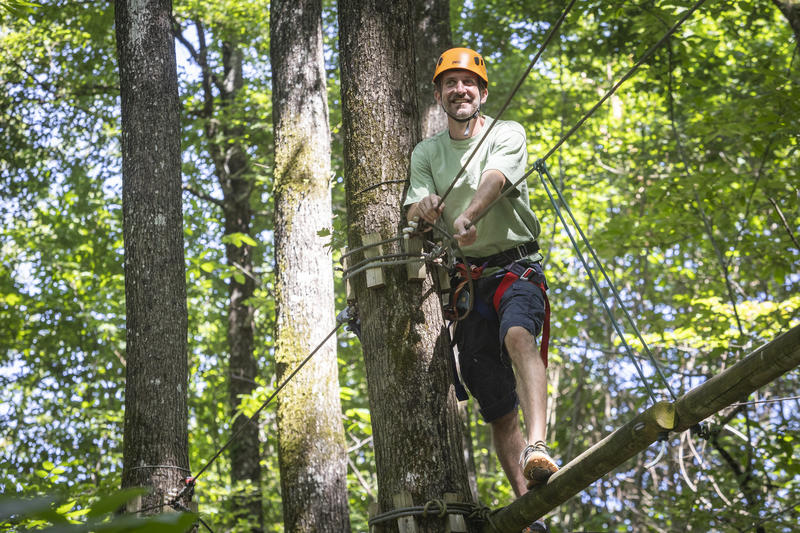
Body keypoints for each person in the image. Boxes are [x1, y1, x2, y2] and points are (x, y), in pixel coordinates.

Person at [404, 47, 558, 532]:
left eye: (468, 83)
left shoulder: (506, 133)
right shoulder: (427, 152)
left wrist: (467, 214)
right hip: (469, 283)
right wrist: (425, 207)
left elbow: (495, 179)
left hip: (516, 266)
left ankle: (539, 446)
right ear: (439, 95)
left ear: (483, 92)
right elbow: (412, 209)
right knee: (493, 400)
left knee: (519, 337)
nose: (460, 90)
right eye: (450, 83)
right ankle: (528, 509)